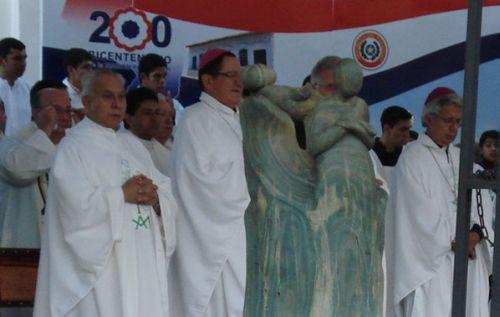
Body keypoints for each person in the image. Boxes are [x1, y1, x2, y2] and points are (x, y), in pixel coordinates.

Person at [33, 69, 176, 317]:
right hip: (102, 268)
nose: (117, 104)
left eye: (121, 97)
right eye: (108, 97)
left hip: (138, 257)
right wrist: (121, 195)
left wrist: (156, 197)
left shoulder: (131, 144)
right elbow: (73, 210)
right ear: (87, 102)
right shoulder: (74, 146)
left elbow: (165, 188)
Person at [385, 87, 487, 317]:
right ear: (429, 119)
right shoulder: (412, 158)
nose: (454, 128)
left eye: (458, 122)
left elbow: (482, 203)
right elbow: (416, 213)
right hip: (433, 264)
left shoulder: (462, 158)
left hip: (467, 257)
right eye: (448, 120)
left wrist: (475, 234)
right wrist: (457, 241)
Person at [169, 48, 250, 317]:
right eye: (231, 75)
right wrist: (255, 178)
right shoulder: (194, 119)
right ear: (208, 81)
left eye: (240, 75)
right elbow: (198, 184)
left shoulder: (242, 120)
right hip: (214, 238)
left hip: (243, 233)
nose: (239, 83)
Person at [0, 80, 71, 248]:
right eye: (55, 110)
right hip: (23, 247)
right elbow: (18, 171)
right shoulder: (13, 143)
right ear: (34, 112)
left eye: (68, 110)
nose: (64, 116)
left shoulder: (73, 144)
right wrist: (46, 127)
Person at [124, 87, 172, 176]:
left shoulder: (166, 153)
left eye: (157, 113)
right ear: (129, 118)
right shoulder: (121, 148)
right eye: (147, 113)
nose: (154, 119)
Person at [138, 53, 184, 125]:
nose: (162, 81)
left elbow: (184, 133)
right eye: (157, 76)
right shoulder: (128, 104)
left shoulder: (175, 106)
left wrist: (172, 116)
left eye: (164, 76)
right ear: (143, 77)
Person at [0, 37, 31, 135]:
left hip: (24, 148)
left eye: (24, 58)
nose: (23, 63)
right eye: (17, 59)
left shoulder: (29, 89)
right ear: (2, 60)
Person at [62, 47, 94, 122]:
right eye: (86, 67)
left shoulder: (95, 94)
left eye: (92, 67)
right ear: (70, 70)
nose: (91, 72)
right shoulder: (59, 95)